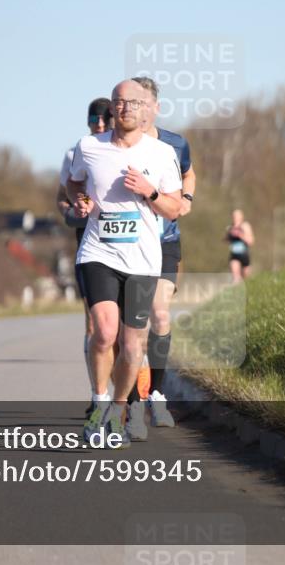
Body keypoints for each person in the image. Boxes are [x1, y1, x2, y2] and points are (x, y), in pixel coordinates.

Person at [67, 79, 182, 447]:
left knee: (133, 347)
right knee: (104, 332)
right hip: (98, 252)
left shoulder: (163, 153)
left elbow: (176, 208)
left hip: (143, 259)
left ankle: (118, 410)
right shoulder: (88, 147)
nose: (125, 108)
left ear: (145, 108)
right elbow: (73, 184)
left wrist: (149, 191)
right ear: (112, 108)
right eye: (119, 102)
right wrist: (81, 200)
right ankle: (99, 403)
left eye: (132, 102)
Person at [124, 76, 196, 440]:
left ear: (155, 107)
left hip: (166, 241)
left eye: (143, 102)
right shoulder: (118, 145)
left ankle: (158, 395)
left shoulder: (174, 142)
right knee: (132, 330)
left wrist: (187, 199)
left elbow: (189, 173)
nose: (138, 108)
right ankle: (134, 402)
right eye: (131, 102)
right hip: (131, 246)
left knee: (161, 312)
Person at [56, 98, 113, 405]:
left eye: (106, 119)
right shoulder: (75, 153)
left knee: (127, 325)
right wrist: (71, 212)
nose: (100, 125)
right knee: (94, 323)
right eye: (94, 119)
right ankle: (98, 393)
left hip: (127, 245)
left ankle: (129, 395)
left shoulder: (125, 152)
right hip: (89, 241)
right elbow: (61, 196)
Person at [226, 209, 254, 284]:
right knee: (236, 278)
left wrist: (241, 235)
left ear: (241, 217)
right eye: (234, 216)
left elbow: (251, 241)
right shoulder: (230, 227)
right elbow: (229, 241)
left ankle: (247, 291)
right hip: (234, 255)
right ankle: (237, 292)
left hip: (244, 254)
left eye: (237, 216)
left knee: (247, 279)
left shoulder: (245, 226)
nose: (235, 218)